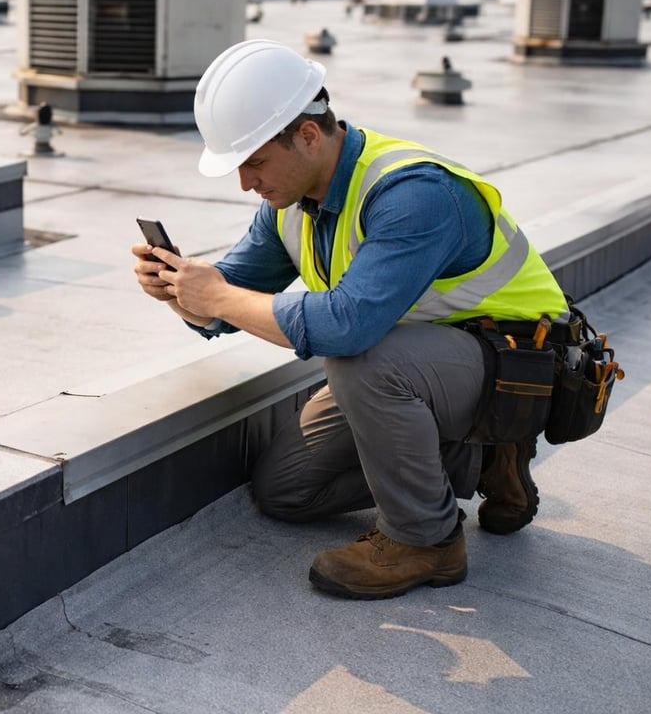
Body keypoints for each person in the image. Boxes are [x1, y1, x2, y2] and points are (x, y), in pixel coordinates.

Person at [132, 39, 568, 600]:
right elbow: (229, 299)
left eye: (255, 162)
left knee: (361, 359)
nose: (246, 183)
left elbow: (346, 327)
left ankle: (427, 541)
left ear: (308, 135)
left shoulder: (414, 193)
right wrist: (175, 291)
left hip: (522, 369)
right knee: (286, 492)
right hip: (427, 367)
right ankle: (477, 458)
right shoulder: (288, 205)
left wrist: (215, 297)